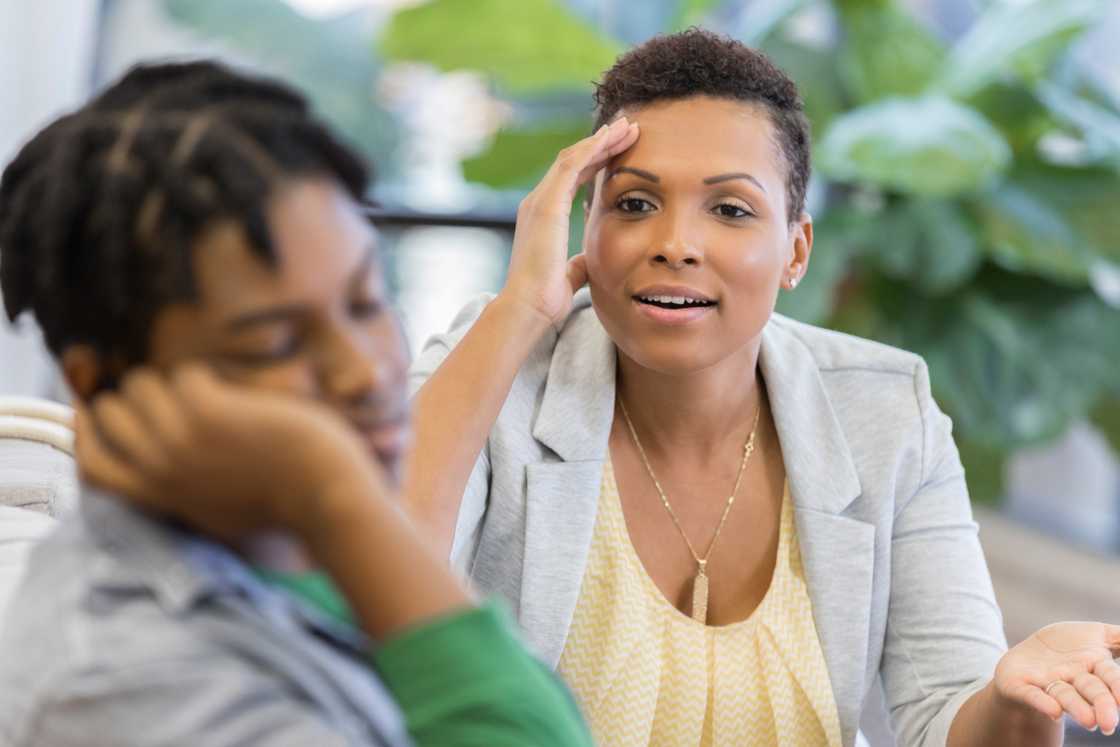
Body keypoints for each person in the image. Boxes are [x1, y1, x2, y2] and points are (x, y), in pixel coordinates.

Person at [405, 29, 1120, 747]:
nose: (675, 243)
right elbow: (369, 575)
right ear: (582, 223)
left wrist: (1020, 699)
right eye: (634, 203)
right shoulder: (492, 367)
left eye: (730, 209)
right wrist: (522, 309)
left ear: (796, 250)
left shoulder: (886, 410)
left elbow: (945, 715)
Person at [0, 60, 592, 747]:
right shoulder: (118, 684)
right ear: (102, 382)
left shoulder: (279, 547)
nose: (365, 370)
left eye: (365, 301)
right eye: (274, 344)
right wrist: (340, 500)